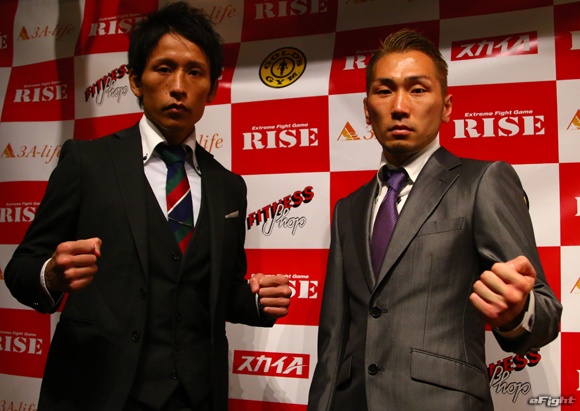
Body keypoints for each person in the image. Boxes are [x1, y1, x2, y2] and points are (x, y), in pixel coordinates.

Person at [5, 2, 291, 411]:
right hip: (97, 392)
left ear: (212, 89)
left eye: (195, 72)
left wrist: (258, 302)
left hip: (195, 397)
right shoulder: (87, 163)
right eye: (164, 68)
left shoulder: (229, 187)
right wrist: (51, 273)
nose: (179, 86)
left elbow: (222, 291)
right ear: (136, 81)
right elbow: (21, 267)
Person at [307, 29, 562, 411]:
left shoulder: (482, 181)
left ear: (446, 106)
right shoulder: (349, 208)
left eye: (418, 89)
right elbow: (334, 337)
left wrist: (517, 313)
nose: (399, 106)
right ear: (366, 109)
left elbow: (546, 313)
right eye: (384, 90)